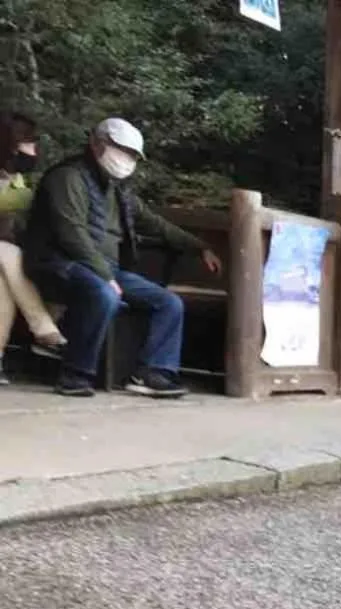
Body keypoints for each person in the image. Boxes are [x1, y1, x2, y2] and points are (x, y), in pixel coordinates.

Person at [22, 117, 220, 398]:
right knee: (104, 293)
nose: (125, 158)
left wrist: (200, 246)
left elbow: (155, 224)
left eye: (132, 155)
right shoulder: (67, 177)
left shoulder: (119, 191)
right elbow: (71, 234)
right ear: (96, 143)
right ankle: (75, 374)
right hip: (57, 262)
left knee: (168, 303)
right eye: (120, 149)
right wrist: (104, 275)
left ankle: (153, 373)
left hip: (106, 269)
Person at [0, 110, 66, 385]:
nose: (33, 149)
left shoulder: (15, 179)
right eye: (28, 142)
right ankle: (42, 328)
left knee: (2, 282)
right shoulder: (18, 187)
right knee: (11, 254)